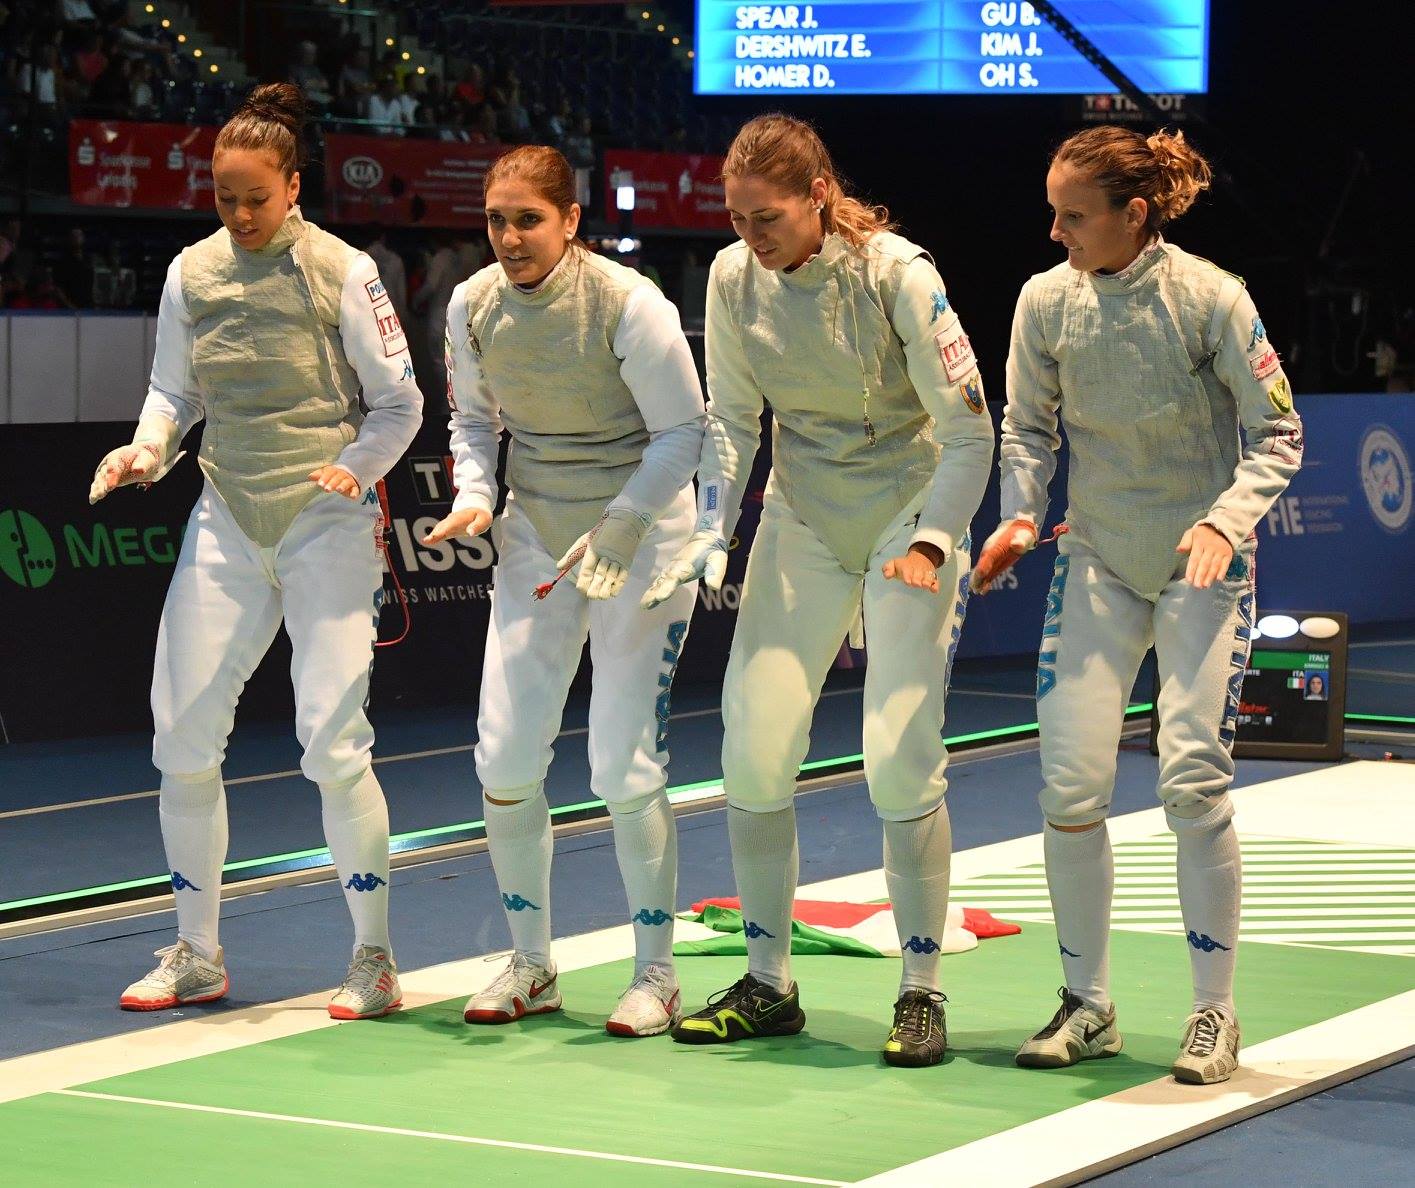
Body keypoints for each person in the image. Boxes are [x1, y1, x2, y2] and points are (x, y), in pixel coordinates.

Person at [645, 114, 994, 1067]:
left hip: (906, 510)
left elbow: (970, 433)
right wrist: (711, 528)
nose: (750, 237)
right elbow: (729, 422)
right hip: (803, 515)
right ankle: (768, 982)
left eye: (766, 217)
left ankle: (921, 991)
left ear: (818, 198)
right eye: (736, 217)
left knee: (895, 755)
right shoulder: (729, 278)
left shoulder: (897, 275)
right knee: (752, 753)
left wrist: (930, 539)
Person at [971, 126, 1303, 1085]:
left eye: (1074, 216)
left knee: (1190, 782)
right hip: (1099, 563)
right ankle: (1088, 1004)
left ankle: (1213, 1014)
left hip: (1201, 569)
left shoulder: (1209, 297)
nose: (1055, 231)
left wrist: (1224, 521)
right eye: (1053, 211)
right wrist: (1023, 517)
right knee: (1069, 787)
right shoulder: (1045, 302)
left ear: (1134, 215)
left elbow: (1278, 432)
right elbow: (1025, 427)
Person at [88, 83, 422, 1021]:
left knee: (331, 743)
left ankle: (374, 959)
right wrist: (147, 449)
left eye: (255, 198)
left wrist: (357, 466)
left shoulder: (344, 269)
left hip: (325, 518)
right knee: (182, 739)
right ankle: (197, 951)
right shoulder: (191, 273)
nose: (239, 216)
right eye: (224, 198)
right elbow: (172, 392)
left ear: (293, 185)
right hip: (229, 512)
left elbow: (400, 402)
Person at [424, 144, 705, 1037]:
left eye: (528, 219)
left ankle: (655, 974)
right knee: (504, 760)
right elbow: (472, 421)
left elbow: (684, 430)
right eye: (496, 220)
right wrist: (475, 494)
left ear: (571, 219)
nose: (509, 237)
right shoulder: (472, 306)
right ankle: (532, 964)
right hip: (538, 534)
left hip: (642, 535)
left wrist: (622, 523)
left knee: (622, 766)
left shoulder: (628, 304)